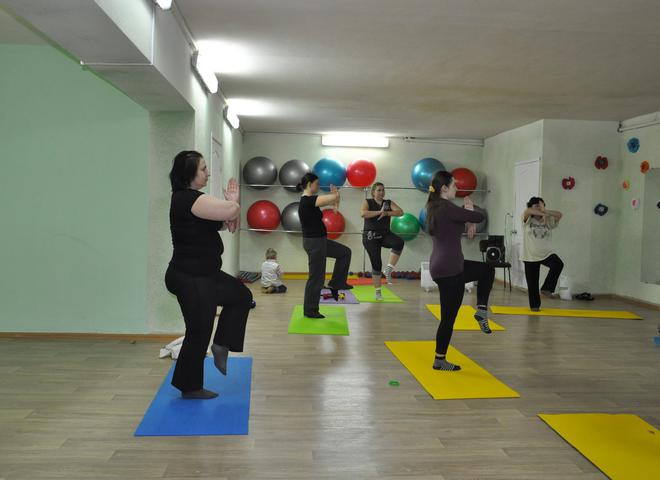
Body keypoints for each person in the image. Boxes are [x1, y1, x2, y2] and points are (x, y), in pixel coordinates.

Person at [164, 150, 252, 400]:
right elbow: (230, 212)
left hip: (206, 274)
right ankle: (189, 387)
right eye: (203, 169)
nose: (208, 173)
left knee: (241, 296)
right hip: (189, 277)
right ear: (189, 173)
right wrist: (233, 202)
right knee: (199, 331)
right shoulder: (187, 198)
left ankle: (222, 343)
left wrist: (231, 215)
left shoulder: (197, 202)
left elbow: (227, 223)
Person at [427, 170, 495, 372]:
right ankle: (439, 360)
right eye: (454, 185)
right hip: (450, 269)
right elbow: (479, 216)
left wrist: (468, 223)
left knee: (486, 270)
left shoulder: (434, 206)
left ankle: (481, 311)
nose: (457, 188)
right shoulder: (447, 207)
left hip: (445, 266)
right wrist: (470, 211)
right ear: (444, 188)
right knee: (448, 318)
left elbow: (454, 227)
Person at [297, 173, 352, 318]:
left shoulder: (312, 201)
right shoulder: (307, 201)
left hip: (320, 241)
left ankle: (337, 283)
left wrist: (336, 199)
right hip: (314, 243)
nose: (318, 186)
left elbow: (334, 203)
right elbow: (333, 198)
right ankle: (310, 310)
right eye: (317, 183)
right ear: (310, 184)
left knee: (345, 252)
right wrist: (335, 194)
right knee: (316, 278)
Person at [360, 182, 404, 300]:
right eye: (379, 190)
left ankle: (388, 269)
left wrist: (387, 213)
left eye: (383, 190)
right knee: (377, 264)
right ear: (373, 192)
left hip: (385, 235)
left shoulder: (388, 203)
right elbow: (363, 213)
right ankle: (378, 292)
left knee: (399, 242)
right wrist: (380, 212)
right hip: (370, 237)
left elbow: (400, 212)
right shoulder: (368, 202)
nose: (381, 192)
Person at [521, 196, 563, 311]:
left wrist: (545, 212)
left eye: (542, 205)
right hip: (530, 256)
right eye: (537, 206)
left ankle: (547, 288)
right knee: (532, 283)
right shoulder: (528, 219)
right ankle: (535, 306)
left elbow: (559, 215)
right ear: (531, 206)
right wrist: (542, 211)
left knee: (558, 264)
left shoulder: (548, 220)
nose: (540, 208)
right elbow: (528, 211)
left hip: (546, 253)